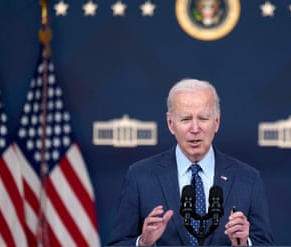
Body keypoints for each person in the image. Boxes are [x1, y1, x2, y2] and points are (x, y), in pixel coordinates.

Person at [107, 78, 274, 246]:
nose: (195, 129)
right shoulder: (140, 177)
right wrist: (142, 242)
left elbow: (265, 243)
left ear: (216, 122)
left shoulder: (247, 179)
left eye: (203, 118)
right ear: (170, 123)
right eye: (186, 119)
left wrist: (245, 244)